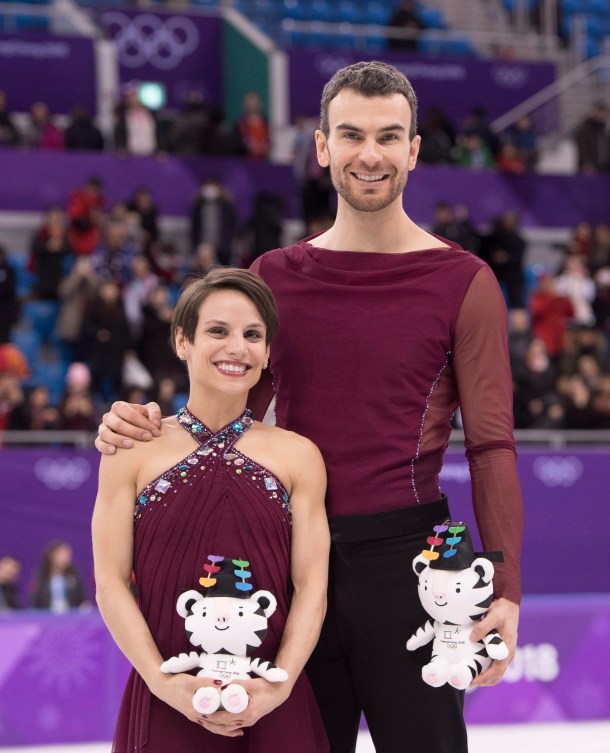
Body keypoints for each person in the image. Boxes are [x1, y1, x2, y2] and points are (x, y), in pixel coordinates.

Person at [95, 61, 523, 753]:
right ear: (322, 147)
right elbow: (224, 414)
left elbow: (492, 444)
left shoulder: (463, 281)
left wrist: (505, 587)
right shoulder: (275, 276)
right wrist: (146, 426)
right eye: (351, 135)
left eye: (390, 136)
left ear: (414, 150)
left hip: (413, 568)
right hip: (292, 563)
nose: (370, 154)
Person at [92, 268, 329, 752]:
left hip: (272, 704)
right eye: (218, 331)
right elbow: (110, 583)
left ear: (267, 352)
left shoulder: (299, 455)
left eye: (253, 335)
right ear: (183, 341)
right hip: (166, 699)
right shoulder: (132, 448)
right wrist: (165, 684)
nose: (237, 348)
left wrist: (278, 686)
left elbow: (312, 585)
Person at [32, 540, 87, 611]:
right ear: (53, 555)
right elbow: (36, 600)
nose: (67, 558)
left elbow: (81, 597)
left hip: (70, 615)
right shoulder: (41, 576)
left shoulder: (73, 574)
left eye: (68, 555)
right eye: (63, 554)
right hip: (47, 615)